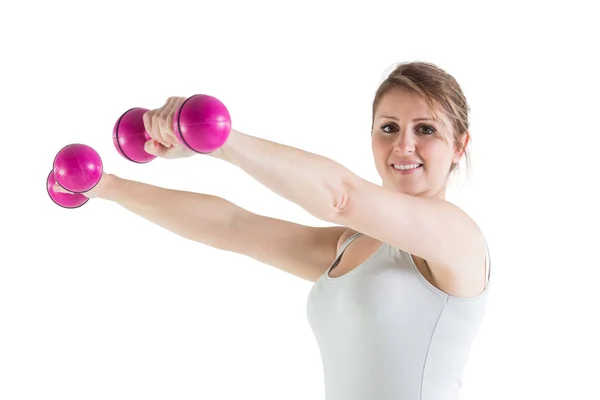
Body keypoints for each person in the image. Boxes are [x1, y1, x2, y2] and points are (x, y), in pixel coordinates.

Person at [55, 61, 491, 399]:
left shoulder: (456, 238)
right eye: (389, 128)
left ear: (459, 146)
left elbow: (342, 197)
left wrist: (219, 141)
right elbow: (234, 227)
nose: (403, 146)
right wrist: (106, 186)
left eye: (426, 130)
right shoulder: (354, 245)